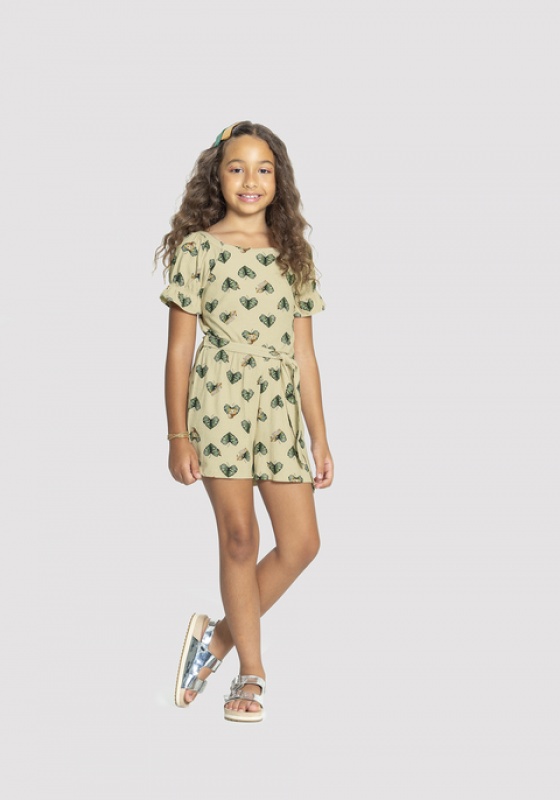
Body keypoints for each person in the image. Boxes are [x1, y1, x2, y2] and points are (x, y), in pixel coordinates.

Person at [154, 121, 334, 723]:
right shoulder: (198, 249)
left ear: (278, 179)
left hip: (279, 410)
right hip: (218, 402)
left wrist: (320, 437)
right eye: (237, 167)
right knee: (240, 537)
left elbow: (305, 354)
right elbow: (179, 350)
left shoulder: (293, 254)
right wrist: (177, 435)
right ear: (217, 176)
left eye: (263, 168)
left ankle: (219, 638)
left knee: (302, 544)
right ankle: (249, 673)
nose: (250, 179)